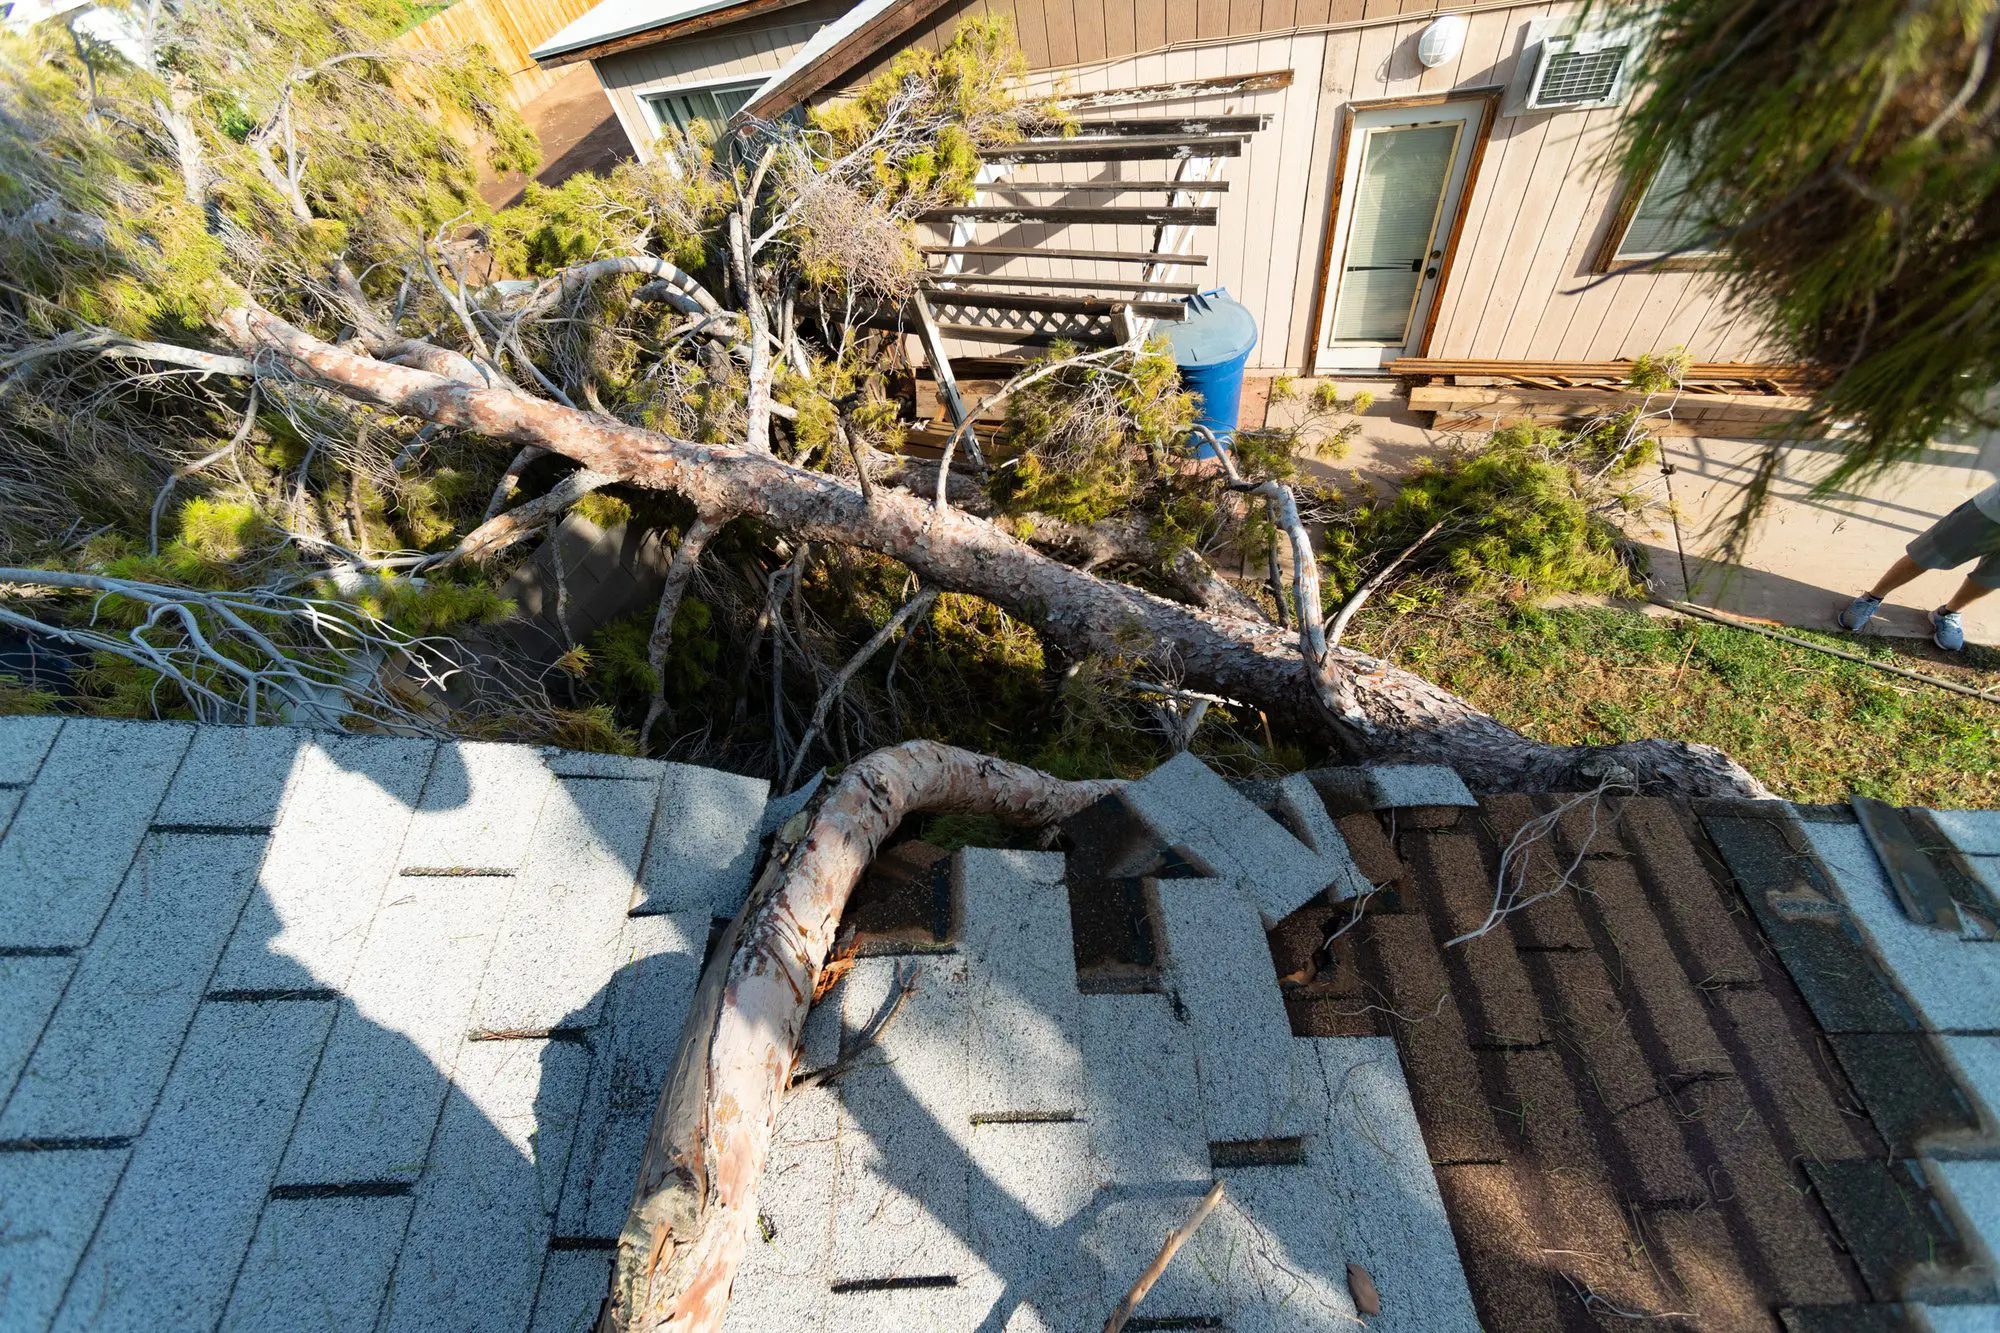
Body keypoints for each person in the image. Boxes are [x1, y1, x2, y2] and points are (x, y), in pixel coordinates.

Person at [1839, 478, 2000, 651]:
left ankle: (1947, 614)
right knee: (1927, 553)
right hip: (1992, 512)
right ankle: (1872, 598)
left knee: (1991, 578)